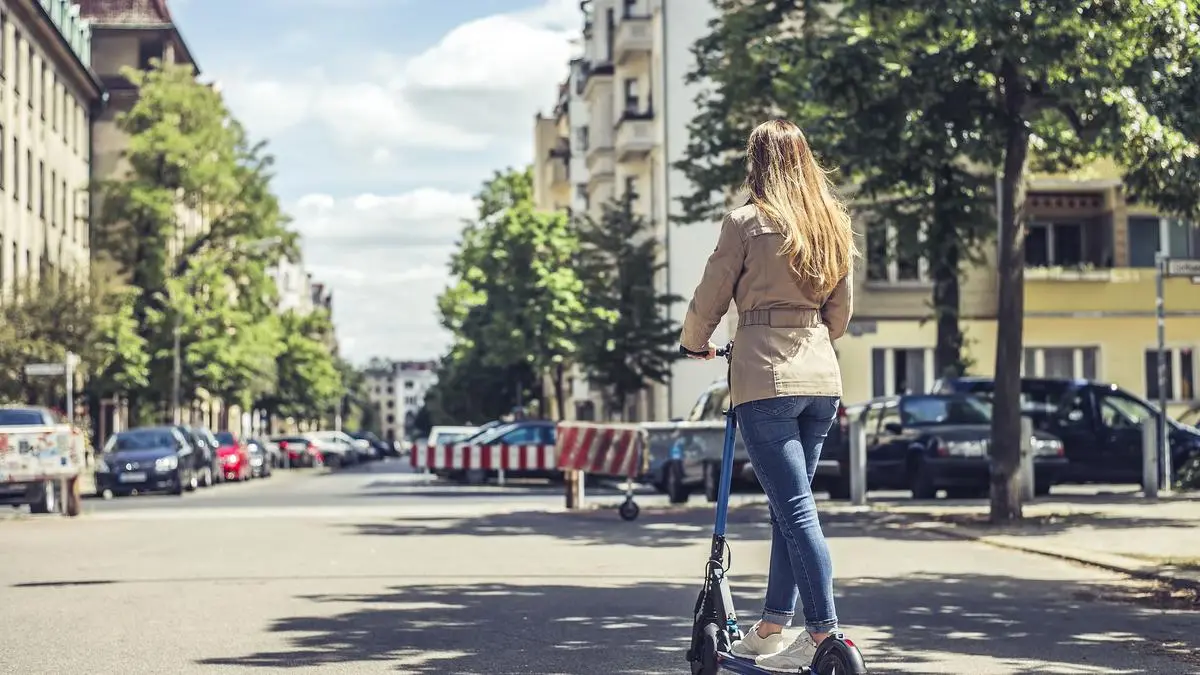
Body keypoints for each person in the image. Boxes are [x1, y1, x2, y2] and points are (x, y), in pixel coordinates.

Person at [678, 119, 856, 672]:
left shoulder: (744, 223)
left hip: (763, 377)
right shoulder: (832, 223)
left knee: (794, 507)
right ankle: (774, 624)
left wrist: (694, 344)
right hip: (821, 380)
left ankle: (824, 632)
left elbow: (711, 295)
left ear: (756, 163)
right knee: (789, 507)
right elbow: (841, 315)